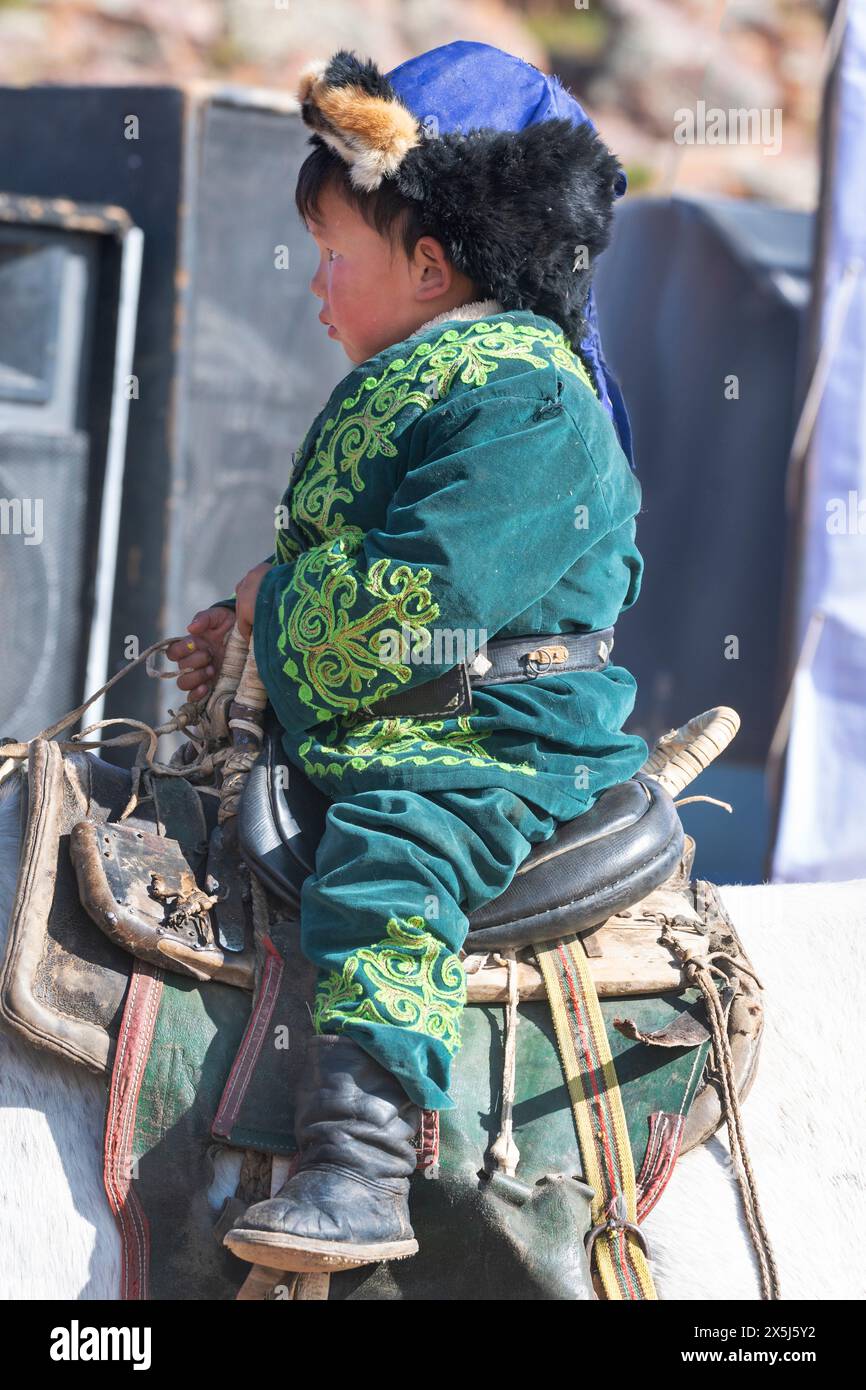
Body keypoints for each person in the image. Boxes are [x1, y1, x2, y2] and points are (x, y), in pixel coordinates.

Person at [168, 41, 648, 1275]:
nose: (315, 288)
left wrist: (280, 611)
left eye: (337, 258)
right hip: (397, 697)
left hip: (489, 733)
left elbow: (416, 605)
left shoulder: (530, 397)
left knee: (395, 850)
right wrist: (251, 634)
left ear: (431, 265)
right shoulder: (431, 372)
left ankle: (360, 1160)